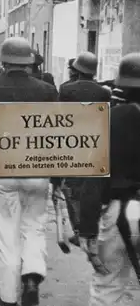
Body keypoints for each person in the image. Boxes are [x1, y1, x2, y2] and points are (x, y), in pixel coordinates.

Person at [0, 37, 58, 306]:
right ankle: (32, 276)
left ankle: (7, 296)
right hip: (38, 169)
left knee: (7, 236)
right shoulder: (47, 91)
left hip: (3, 171)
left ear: (3, 62)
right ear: (30, 62)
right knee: (35, 226)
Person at [78, 53, 140, 306]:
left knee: (108, 286)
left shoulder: (109, 120)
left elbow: (94, 177)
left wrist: (87, 229)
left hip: (117, 212)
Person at [58, 51, 111, 244]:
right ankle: (90, 227)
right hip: (95, 142)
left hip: (72, 142)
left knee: (71, 186)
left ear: (77, 69)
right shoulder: (104, 92)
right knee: (91, 186)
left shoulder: (66, 90)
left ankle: (78, 226)